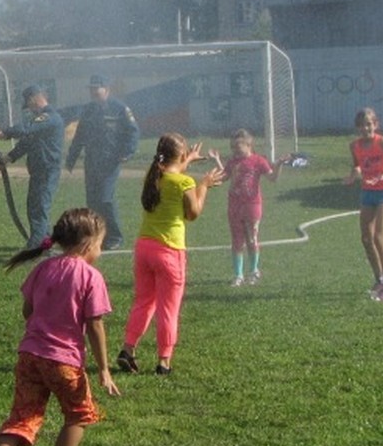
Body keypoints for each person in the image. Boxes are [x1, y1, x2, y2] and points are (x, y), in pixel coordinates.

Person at [0, 208, 120, 446]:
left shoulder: (43, 269)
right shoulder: (90, 276)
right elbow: (95, 325)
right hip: (63, 361)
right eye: (100, 245)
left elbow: (28, 311)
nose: (100, 251)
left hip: (29, 356)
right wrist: (104, 369)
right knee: (80, 414)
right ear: (87, 244)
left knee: (20, 420)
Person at [116, 134, 224, 377]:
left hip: (144, 247)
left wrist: (188, 162)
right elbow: (193, 212)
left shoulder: (153, 176)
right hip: (169, 252)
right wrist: (204, 185)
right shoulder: (184, 182)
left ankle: (128, 349)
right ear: (182, 153)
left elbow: (171, 173)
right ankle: (164, 361)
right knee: (168, 309)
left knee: (144, 301)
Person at [65, 74, 139, 250]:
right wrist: (71, 157)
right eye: (91, 89)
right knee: (92, 201)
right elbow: (80, 135)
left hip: (110, 161)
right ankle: (97, 235)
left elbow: (133, 132)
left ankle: (115, 236)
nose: (93, 92)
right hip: (92, 161)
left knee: (105, 199)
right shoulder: (88, 109)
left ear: (106, 89)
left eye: (96, 88)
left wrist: (127, 153)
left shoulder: (119, 109)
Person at [346, 107, 383, 301]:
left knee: (380, 237)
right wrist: (353, 175)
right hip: (367, 193)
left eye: (369, 124)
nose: (366, 128)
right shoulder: (354, 146)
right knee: (366, 238)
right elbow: (357, 165)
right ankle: (379, 280)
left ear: (376, 125)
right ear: (358, 128)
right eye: (362, 125)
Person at [0, 85, 66, 250]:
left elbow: (25, 128)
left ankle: (35, 247)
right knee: (34, 207)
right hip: (38, 171)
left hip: (47, 171)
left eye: (29, 104)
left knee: (39, 207)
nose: (29, 109)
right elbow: (27, 142)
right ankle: (45, 241)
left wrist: (4, 133)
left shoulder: (49, 117)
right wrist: (9, 157)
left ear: (35, 98)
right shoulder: (41, 122)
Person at [225, 128, 279, 286]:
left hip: (252, 205)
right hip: (234, 205)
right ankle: (238, 275)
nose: (235, 151)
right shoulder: (232, 162)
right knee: (236, 241)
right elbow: (223, 177)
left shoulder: (258, 161)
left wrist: (279, 165)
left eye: (238, 147)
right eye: (233, 148)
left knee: (251, 238)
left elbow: (273, 178)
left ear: (249, 145)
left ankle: (254, 271)